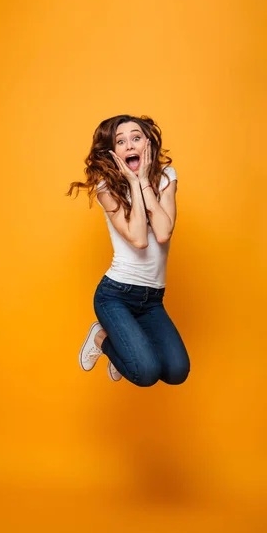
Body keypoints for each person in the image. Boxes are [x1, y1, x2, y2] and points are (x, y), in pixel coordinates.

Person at [66, 114, 190, 387]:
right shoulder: (106, 187)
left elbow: (162, 232)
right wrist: (133, 183)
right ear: (112, 152)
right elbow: (139, 239)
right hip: (116, 296)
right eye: (121, 141)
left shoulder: (167, 177)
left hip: (152, 299)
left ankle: (124, 347)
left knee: (176, 372)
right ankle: (101, 337)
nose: (130, 145)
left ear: (148, 143)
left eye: (136, 138)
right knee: (145, 373)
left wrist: (144, 180)